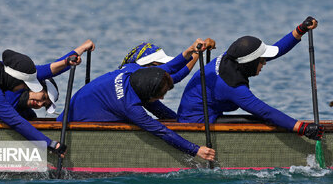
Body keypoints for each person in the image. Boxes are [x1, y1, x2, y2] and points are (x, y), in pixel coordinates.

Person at [57, 39, 216, 161]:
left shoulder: (132, 71)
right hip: (66, 129)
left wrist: (193, 51)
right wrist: (195, 150)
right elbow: (160, 131)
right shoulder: (130, 106)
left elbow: (172, 71)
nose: (162, 98)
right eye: (160, 95)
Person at [177, 16, 323, 140]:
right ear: (250, 63)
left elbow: (276, 50)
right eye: (261, 61)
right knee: (265, 118)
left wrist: (301, 29)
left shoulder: (234, 57)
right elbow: (265, 111)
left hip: (207, 114)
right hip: (195, 125)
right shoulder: (231, 85)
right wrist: (302, 128)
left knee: (264, 119)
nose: (265, 63)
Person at [0, 39, 94, 157]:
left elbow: (49, 69)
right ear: (16, 80)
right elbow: (16, 122)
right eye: (26, 85)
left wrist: (78, 52)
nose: (26, 87)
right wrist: (51, 144)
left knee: (30, 116)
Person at [117, 40, 215, 119]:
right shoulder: (130, 78)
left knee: (173, 119)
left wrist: (199, 50)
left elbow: (178, 75)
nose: (162, 73)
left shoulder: (144, 85)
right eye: (160, 66)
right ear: (145, 66)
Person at [4, 39, 95, 119]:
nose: (39, 104)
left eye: (44, 105)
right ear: (37, 84)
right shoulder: (22, 77)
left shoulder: (27, 112)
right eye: (43, 97)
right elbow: (50, 69)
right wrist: (82, 48)